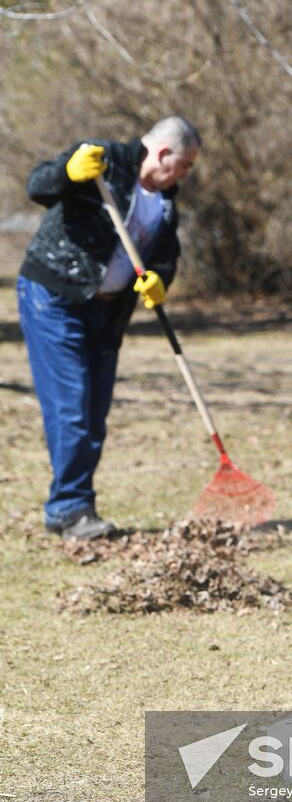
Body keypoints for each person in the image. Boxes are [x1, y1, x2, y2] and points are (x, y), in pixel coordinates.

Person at [17, 116, 201, 539]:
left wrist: (159, 279)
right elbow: (38, 186)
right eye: (186, 164)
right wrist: (67, 172)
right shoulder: (102, 160)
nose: (186, 174)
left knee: (95, 413)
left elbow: (165, 257)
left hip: (107, 311)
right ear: (163, 153)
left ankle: (72, 505)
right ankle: (70, 508)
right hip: (54, 296)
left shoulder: (167, 202)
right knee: (71, 405)